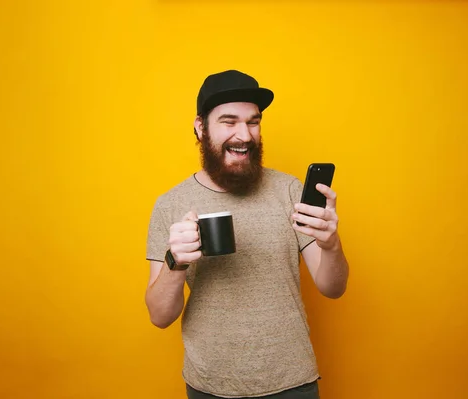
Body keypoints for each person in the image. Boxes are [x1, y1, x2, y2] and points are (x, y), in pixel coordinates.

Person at [145, 69, 349, 399]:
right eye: (229, 121)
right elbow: (159, 316)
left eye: (253, 122)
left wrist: (331, 244)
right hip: (209, 387)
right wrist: (175, 261)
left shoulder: (289, 190)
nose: (245, 135)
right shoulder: (170, 204)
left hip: (292, 383)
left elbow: (333, 287)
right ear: (201, 127)